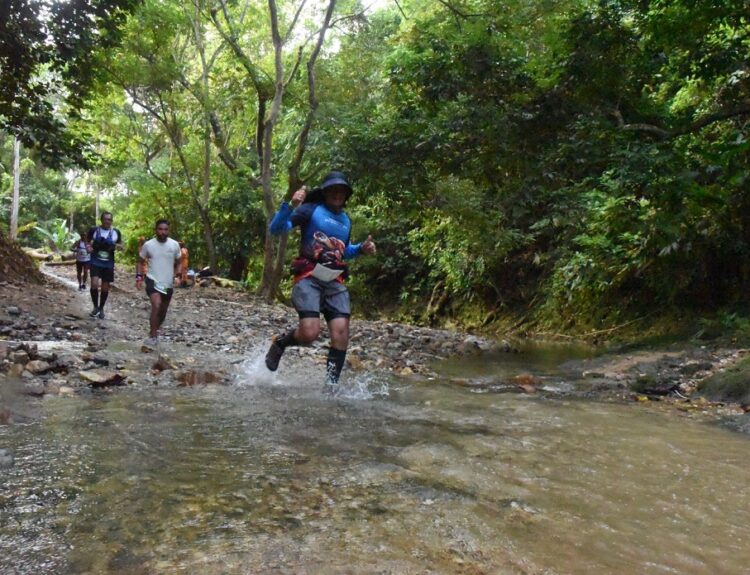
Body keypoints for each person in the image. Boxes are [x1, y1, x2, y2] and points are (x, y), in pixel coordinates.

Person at [264, 170, 376, 394]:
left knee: (341, 333)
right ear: (325, 193)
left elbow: (342, 251)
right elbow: (276, 229)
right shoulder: (310, 210)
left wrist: (361, 250)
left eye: (341, 191)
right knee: (309, 333)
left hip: (335, 281)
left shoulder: (346, 220)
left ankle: (331, 386)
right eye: (333, 190)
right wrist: (290, 206)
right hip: (309, 277)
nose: (337, 194)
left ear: (346, 196)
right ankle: (281, 344)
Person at [136, 219, 182, 349]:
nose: (163, 232)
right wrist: (139, 277)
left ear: (169, 231)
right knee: (156, 305)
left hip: (167, 282)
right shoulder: (148, 245)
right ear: (156, 230)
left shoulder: (174, 245)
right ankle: (153, 335)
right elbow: (139, 261)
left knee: (163, 310)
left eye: (165, 230)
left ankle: (155, 329)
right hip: (152, 279)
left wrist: (178, 275)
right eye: (160, 229)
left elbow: (179, 261)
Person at [86, 212, 123, 319]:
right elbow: (87, 241)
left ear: (112, 221)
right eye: (106, 219)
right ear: (101, 220)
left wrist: (118, 247)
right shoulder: (94, 230)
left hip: (108, 262)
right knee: (94, 283)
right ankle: (95, 306)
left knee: (105, 287)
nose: (108, 221)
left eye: (110, 220)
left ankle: (101, 308)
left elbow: (120, 244)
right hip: (95, 260)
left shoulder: (116, 232)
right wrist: (88, 247)